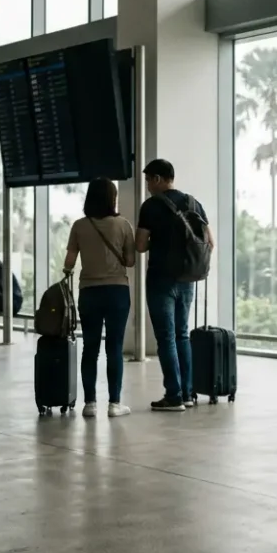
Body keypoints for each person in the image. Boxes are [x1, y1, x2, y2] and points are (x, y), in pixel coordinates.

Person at [135, 159, 214, 412]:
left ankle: (173, 395)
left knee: (166, 337)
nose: (147, 185)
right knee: (182, 335)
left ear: (158, 179)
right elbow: (210, 241)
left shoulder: (151, 206)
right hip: (187, 279)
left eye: (148, 179)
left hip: (161, 279)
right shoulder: (194, 203)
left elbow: (140, 245)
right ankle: (188, 393)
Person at [64, 177, 137, 418]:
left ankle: (90, 404)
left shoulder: (79, 226)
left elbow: (70, 261)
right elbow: (130, 261)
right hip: (117, 291)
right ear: (112, 198)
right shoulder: (124, 225)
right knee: (114, 347)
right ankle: (115, 404)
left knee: (90, 348)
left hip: (89, 292)